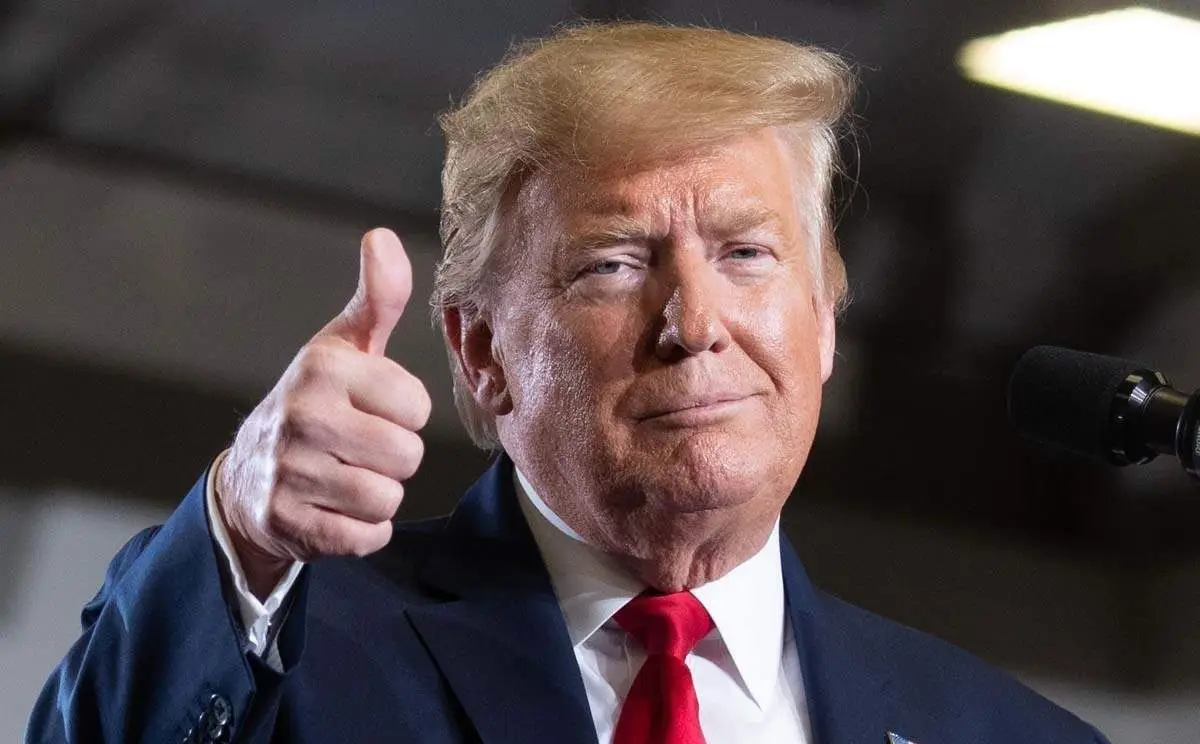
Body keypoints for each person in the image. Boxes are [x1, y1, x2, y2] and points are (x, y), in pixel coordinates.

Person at [27, 22, 1110, 744]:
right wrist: (239, 525)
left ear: (825, 319)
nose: (694, 324)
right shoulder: (291, 651)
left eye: (746, 254)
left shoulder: (1004, 732)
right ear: (482, 352)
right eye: (614, 265)